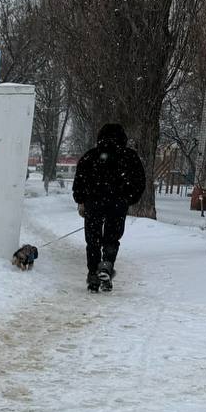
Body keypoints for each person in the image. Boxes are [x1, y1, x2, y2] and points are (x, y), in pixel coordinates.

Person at [72, 123, 146, 292]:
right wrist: (129, 197)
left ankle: (93, 275)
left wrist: (81, 199)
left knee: (93, 240)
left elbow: (80, 181)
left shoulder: (90, 157)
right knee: (112, 238)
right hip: (117, 204)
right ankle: (106, 266)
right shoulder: (129, 157)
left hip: (94, 203)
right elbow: (139, 181)